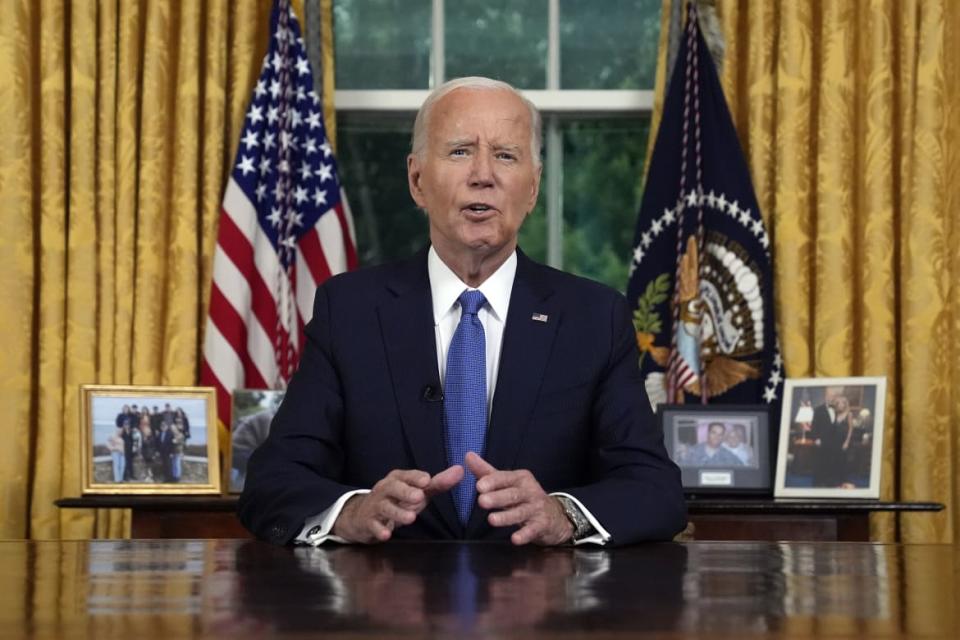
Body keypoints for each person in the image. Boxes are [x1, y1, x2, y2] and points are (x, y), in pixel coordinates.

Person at [238, 76, 686, 547]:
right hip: (386, 607)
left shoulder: (595, 317)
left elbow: (655, 489)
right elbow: (272, 481)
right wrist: (351, 511)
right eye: (459, 152)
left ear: (532, 189)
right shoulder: (348, 311)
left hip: (541, 607)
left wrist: (562, 515)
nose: (483, 174)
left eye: (506, 155)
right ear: (417, 181)